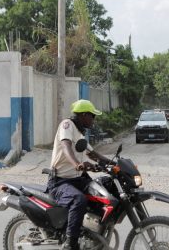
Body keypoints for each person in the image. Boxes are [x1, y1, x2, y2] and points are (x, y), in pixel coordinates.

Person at [47, 99, 114, 250]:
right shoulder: (67, 125)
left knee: (105, 189)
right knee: (79, 200)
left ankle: (93, 232)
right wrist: (77, 164)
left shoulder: (80, 133)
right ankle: (70, 244)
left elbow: (93, 154)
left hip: (77, 179)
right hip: (60, 181)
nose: (93, 120)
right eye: (92, 116)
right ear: (84, 115)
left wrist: (115, 164)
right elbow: (66, 146)